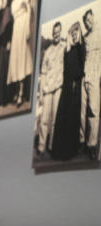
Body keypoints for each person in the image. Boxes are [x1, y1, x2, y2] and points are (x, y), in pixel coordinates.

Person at [52, 21, 86, 161]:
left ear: (79, 33)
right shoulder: (68, 49)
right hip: (67, 86)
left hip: (75, 86)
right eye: (72, 32)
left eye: (76, 32)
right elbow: (65, 68)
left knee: (73, 116)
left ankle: (71, 150)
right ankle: (60, 151)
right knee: (63, 116)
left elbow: (82, 68)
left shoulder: (80, 48)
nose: (74, 34)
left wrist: (74, 77)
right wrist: (68, 45)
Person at [37, 22, 65, 158]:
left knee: (55, 120)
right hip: (48, 89)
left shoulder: (65, 48)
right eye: (54, 32)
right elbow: (43, 73)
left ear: (61, 32)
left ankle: (52, 146)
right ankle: (41, 147)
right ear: (52, 33)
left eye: (58, 32)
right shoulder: (47, 52)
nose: (56, 34)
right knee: (44, 119)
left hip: (59, 88)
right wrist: (41, 92)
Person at [7, 0, 33, 106]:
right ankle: (17, 92)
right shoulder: (13, 3)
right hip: (16, 30)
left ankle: (21, 94)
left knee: (22, 60)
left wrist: (27, 30)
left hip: (23, 27)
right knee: (16, 60)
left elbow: (29, 11)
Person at [83, 9, 100, 159]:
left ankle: (93, 144)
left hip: (96, 75)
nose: (88, 23)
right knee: (87, 111)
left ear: (93, 17)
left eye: (89, 19)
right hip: (87, 76)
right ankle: (86, 143)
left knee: (94, 110)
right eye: (86, 22)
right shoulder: (86, 37)